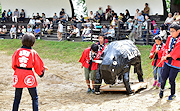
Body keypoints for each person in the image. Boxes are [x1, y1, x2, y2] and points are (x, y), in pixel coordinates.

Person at [12, 33, 48, 111]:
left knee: (17, 97)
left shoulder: (17, 51)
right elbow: (37, 65)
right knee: (34, 97)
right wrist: (42, 71)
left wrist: (18, 71)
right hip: (28, 74)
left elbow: (13, 64)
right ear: (33, 43)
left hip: (18, 73)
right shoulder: (33, 53)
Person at [159, 24, 180, 101]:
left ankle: (172, 94)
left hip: (176, 63)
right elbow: (165, 47)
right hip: (167, 62)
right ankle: (161, 89)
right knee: (163, 76)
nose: (171, 33)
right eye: (170, 31)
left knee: (171, 79)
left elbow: (176, 51)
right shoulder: (169, 38)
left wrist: (167, 56)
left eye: (173, 31)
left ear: (178, 31)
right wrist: (164, 55)